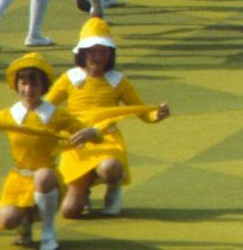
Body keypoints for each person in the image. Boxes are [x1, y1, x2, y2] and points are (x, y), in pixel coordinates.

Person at [0, 52, 100, 250]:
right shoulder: (8, 115)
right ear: (16, 84)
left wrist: (92, 132)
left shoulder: (56, 114)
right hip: (19, 180)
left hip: (48, 178)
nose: (28, 89)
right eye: (23, 83)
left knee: (43, 176)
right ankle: (25, 224)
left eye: (34, 83)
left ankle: (48, 231)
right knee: (8, 220)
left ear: (43, 86)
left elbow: (93, 136)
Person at [45, 17, 171, 218]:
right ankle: (83, 190)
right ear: (83, 52)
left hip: (106, 139)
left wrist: (157, 114)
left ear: (110, 53)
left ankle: (113, 190)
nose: (97, 56)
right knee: (69, 211)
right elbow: (46, 107)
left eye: (103, 51)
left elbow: (141, 111)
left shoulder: (118, 81)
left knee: (110, 167)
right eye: (92, 50)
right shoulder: (69, 79)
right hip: (76, 142)